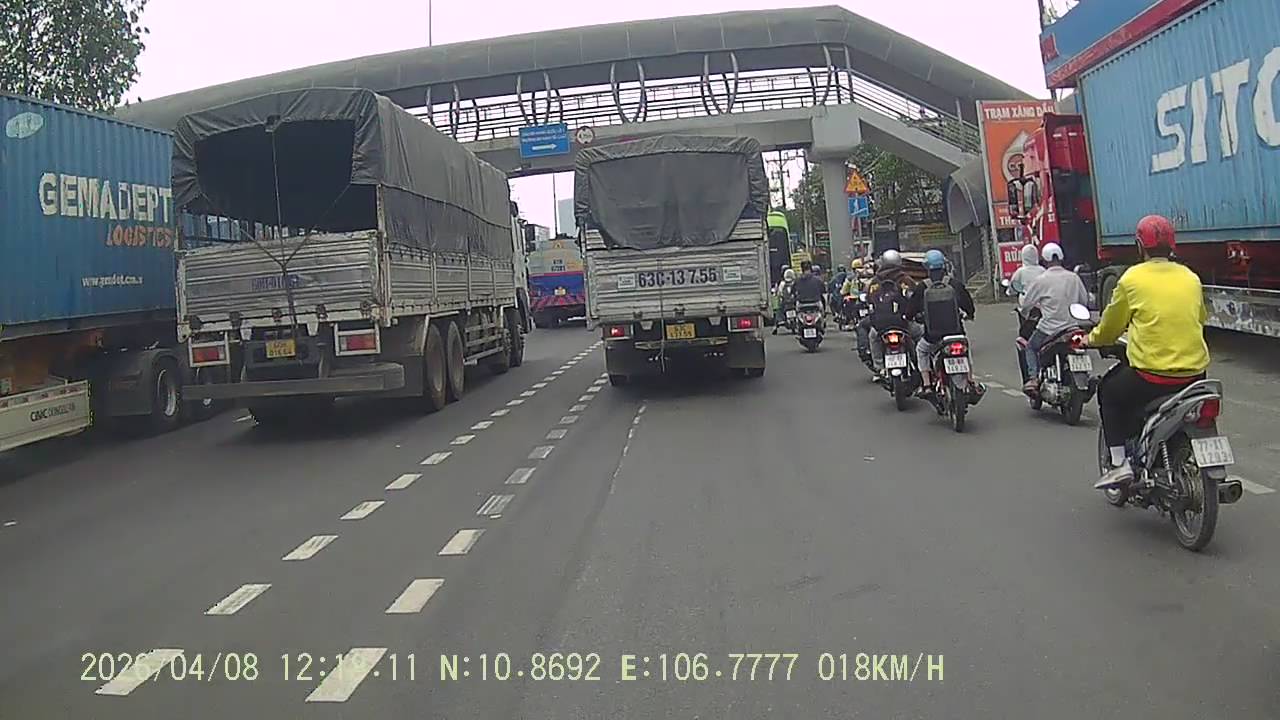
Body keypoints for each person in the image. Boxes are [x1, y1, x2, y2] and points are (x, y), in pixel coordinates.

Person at [1085, 215, 1210, 490]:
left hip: (1152, 377)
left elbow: (1109, 328)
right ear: (1172, 244)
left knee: (1109, 390)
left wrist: (1090, 340)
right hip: (1196, 376)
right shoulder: (1190, 278)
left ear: (1140, 245)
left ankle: (1119, 464)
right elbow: (1200, 317)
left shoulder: (1132, 279)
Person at [1020, 242, 1090, 393]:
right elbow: (1084, 301)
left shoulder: (1041, 280)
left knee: (1030, 347)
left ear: (1044, 260)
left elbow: (1026, 304)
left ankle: (1034, 378)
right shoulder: (1074, 278)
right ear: (1061, 258)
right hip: (1073, 327)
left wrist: (1025, 314)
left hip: (1049, 330)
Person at [906, 249, 976, 395]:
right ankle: (971, 382)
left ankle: (926, 384)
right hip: (956, 333)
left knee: (921, 350)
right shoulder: (955, 284)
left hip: (932, 337)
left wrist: (910, 317)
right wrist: (969, 315)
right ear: (944, 265)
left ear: (927, 267)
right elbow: (968, 304)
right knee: (965, 350)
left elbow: (911, 310)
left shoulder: (922, 287)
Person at [772, 267, 796, 334]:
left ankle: (777, 325)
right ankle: (777, 325)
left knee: (779, 310)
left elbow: (779, 293)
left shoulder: (782, 283)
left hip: (788, 303)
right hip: (791, 302)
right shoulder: (793, 283)